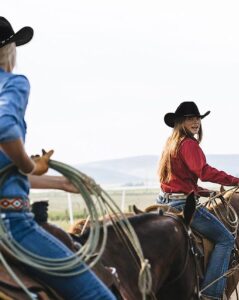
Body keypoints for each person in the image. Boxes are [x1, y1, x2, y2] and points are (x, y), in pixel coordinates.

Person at [0, 17, 116, 300]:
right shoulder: (13, 83)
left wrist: (61, 183)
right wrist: (29, 163)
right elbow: (4, 128)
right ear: (9, 49)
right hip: (10, 223)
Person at [157, 101, 239, 300]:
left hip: (163, 202)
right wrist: (238, 181)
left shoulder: (171, 144)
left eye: (198, 118)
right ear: (181, 122)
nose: (196, 122)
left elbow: (177, 180)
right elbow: (204, 171)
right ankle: (212, 294)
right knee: (226, 239)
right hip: (183, 205)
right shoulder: (189, 144)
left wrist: (203, 192)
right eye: (190, 118)